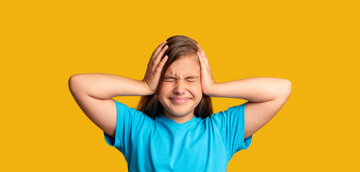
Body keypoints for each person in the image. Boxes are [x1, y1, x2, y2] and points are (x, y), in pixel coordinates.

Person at [68, 35, 292, 172]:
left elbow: (281, 89)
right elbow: (80, 85)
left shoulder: (221, 131)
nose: (180, 88)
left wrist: (214, 87)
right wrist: (144, 85)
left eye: (191, 79)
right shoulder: (135, 128)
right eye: (169, 78)